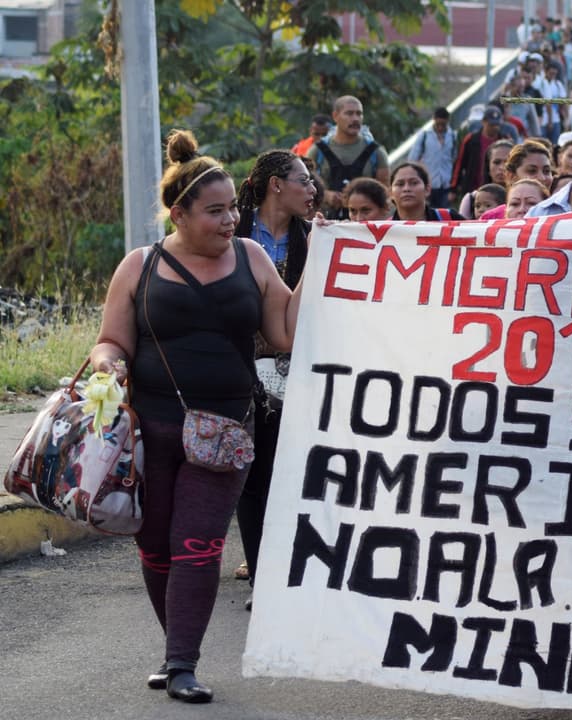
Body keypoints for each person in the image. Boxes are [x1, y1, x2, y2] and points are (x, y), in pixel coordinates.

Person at [89, 129, 306, 704]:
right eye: (215, 210)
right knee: (156, 545)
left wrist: (324, 263)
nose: (231, 218)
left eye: (233, 206)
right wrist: (107, 367)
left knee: (198, 543)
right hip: (149, 429)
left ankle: (182, 662)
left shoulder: (253, 258)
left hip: (225, 430)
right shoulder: (139, 266)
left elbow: (283, 333)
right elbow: (111, 339)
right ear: (178, 213)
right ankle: (175, 649)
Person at [229, 149, 314, 600]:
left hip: (301, 371)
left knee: (296, 471)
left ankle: (294, 571)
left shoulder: (317, 237)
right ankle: (264, 579)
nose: (313, 189)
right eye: (304, 179)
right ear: (276, 185)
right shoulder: (230, 229)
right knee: (253, 474)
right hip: (238, 371)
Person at [307, 96, 389, 218]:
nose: (355, 119)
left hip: (363, 225)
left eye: (359, 114)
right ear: (335, 116)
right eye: (349, 113)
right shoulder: (317, 151)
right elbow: (303, 187)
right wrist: (326, 195)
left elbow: (385, 192)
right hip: (326, 223)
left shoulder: (377, 152)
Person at [451, 106, 517, 200]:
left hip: (499, 189)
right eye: (491, 125)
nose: (495, 128)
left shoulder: (505, 140)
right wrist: (454, 188)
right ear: (483, 122)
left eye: (497, 125)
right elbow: (460, 163)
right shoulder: (471, 139)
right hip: (473, 186)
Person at [407, 107, 457, 210]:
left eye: (443, 125)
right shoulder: (424, 135)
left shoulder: (452, 136)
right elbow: (412, 159)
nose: (440, 128)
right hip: (428, 183)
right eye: (438, 124)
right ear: (434, 120)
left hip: (445, 184)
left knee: (443, 215)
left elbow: (454, 158)